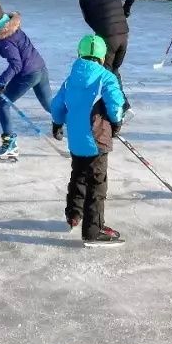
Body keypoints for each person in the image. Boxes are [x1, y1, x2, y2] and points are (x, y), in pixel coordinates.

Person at [50, 34, 128, 247]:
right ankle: (93, 231)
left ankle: (74, 214)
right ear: (102, 57)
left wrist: (57, 123)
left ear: (80, 53)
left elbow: (57, 105)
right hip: (97, 139)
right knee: (97, 184)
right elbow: (115, 104)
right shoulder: (106, 77)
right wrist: (117, 121)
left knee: (78, 175)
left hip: (76, 139)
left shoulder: (71, 78)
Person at [0, 1, 52, 161]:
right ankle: (80, 127)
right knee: (51, 106)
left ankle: (9, 145)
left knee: (3, 104)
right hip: (40, 67)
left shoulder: (4, 38)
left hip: (28, 74)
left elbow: (16, 64)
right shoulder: (7, 28)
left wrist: (1, 82)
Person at [76, 0, 138, 82]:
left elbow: (89, 19)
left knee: (105, 75)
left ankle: (111, 98)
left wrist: (101, 28)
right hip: (124, 35)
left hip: (107, 37)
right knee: (114, 71)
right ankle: (119, 98)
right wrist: (126, 8)